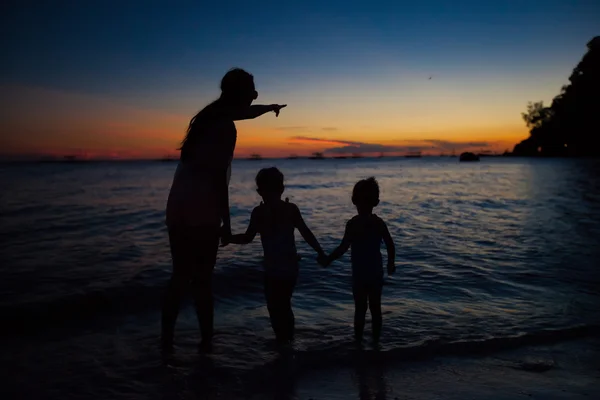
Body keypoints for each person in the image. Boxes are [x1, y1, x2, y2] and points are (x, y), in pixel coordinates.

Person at [162, 68, 286, 349]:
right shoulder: (225, 127)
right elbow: (219, 179)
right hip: (202, 208)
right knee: (203, 281)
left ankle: (166, 341)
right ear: (240, 94)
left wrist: (269, 108)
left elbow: (246, 112)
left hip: (178, 205)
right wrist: (227, 225)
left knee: (180, 276)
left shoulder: (208, 117)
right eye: (252, 92)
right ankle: (206, 345)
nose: (255, 96)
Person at [225, 167, 326, 343]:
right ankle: (287, 341)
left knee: (276, 306)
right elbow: (305, 232)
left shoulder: (264, 212)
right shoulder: (285, 210)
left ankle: (284, 341)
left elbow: (247, 238)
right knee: (282, 305)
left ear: (259, 191)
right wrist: (320, 251)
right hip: (285, 267)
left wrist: (229, 238)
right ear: (282, 189)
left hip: (278, 268)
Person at [320, 177, 396, 343]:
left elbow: (342, 248)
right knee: (374, 309)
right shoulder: (377, 223)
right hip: (373, 273)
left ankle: (359, 343)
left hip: (361, 274)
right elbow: (390, 244)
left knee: (361, 309)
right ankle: (374, 342)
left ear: (354, 200)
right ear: (376, 202)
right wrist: (391, 262)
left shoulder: (354, 224)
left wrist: (328, 259)